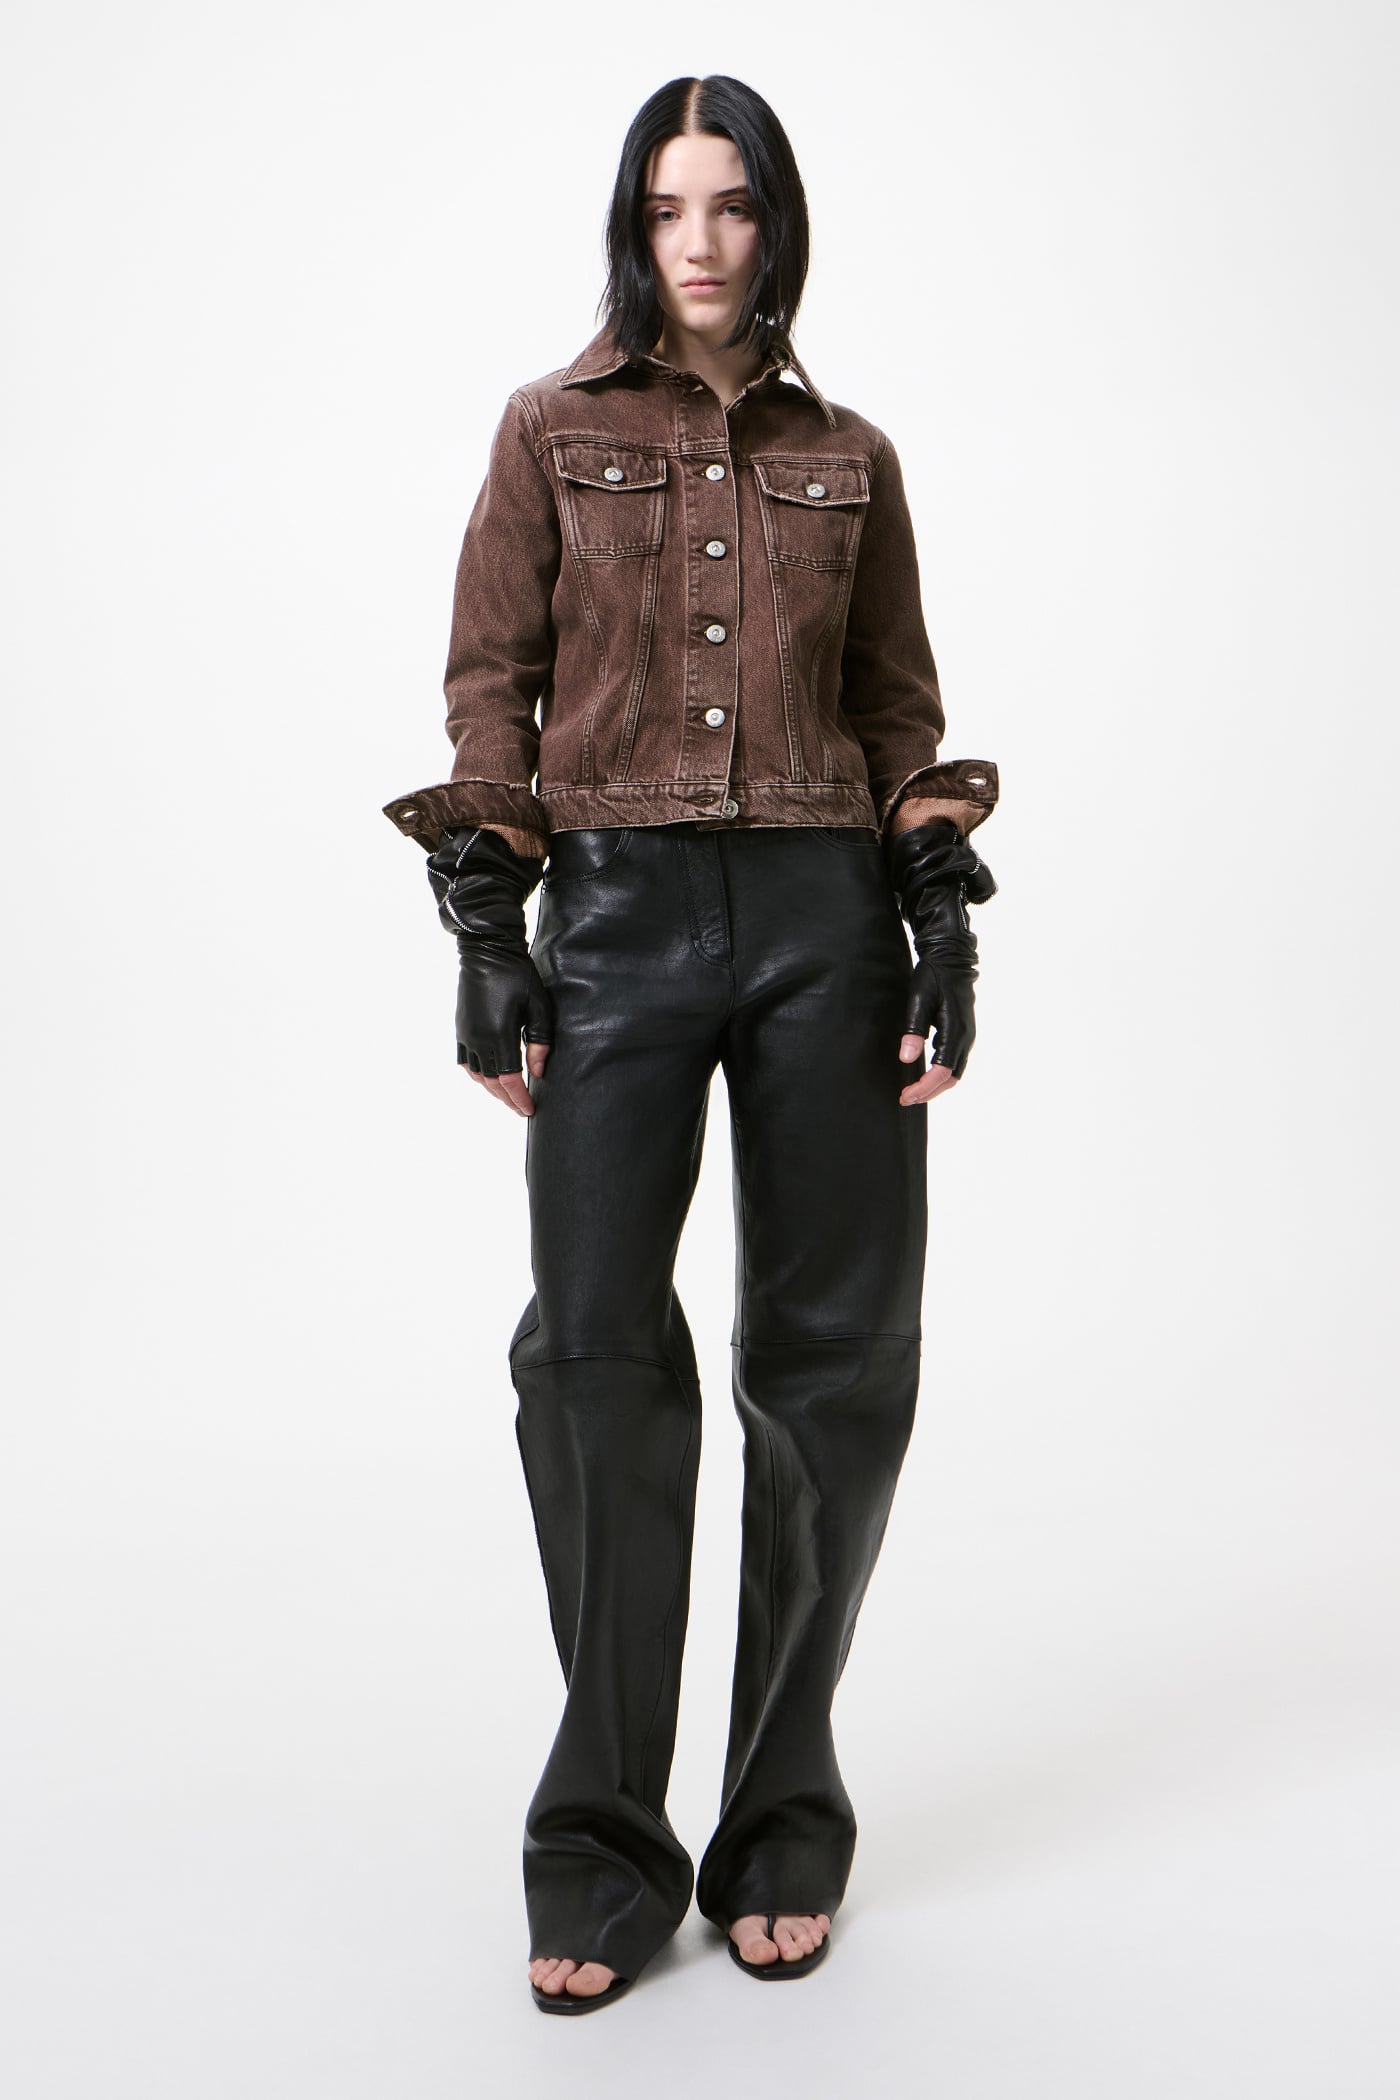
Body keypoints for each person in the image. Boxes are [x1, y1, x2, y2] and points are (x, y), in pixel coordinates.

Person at [382, 74, 1000, 2016]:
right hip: (620, 924)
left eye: (732, 206)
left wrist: (938, 934)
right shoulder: (548, 430)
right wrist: (490, 937)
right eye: (669, 208)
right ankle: (602, 1840)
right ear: (632, 228)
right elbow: (493, 686)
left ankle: (783, 1811)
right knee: (590, 1356)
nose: (703, 242)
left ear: (777, 224)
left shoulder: (854, 456)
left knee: (832, 1366)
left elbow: (898, 716)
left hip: (827, 927)